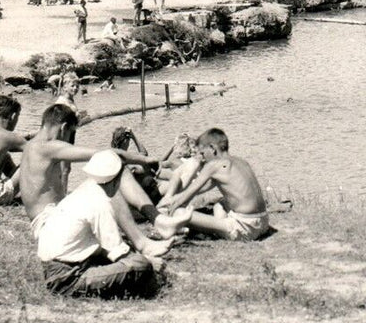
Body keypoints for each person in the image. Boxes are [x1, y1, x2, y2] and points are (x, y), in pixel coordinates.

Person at [18, 103, 165, 240]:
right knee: (114, 166)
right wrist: (144, 160)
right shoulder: (48, 147)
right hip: (49, 224)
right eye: (71, 133)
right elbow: (106, 153)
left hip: (43, 222)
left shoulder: (31, 146)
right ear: (63, 128)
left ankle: (150, 222)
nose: (68, 139)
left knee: (98, 183)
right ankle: (155, 221)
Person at [34, 150, 167, 299]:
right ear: (117, 181)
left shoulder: (83, 191)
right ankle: (150, 284)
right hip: (68, 279)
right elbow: (119, 253)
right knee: (141, 265)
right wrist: (150, 262)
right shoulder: (100, 203)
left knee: (126, 253)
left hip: (53, 267)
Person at [158, 128, 274, 240]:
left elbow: (187, 195)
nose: (202, 158)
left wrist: (167, 206)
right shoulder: (241, 162)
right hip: (264, 221)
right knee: (220, 203)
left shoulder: (213, 166)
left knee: (179, 213)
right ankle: (221, 229)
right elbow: (201, 189)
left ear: (212, 148)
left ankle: (224, 230)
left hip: (245, 228)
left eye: (202, 154)